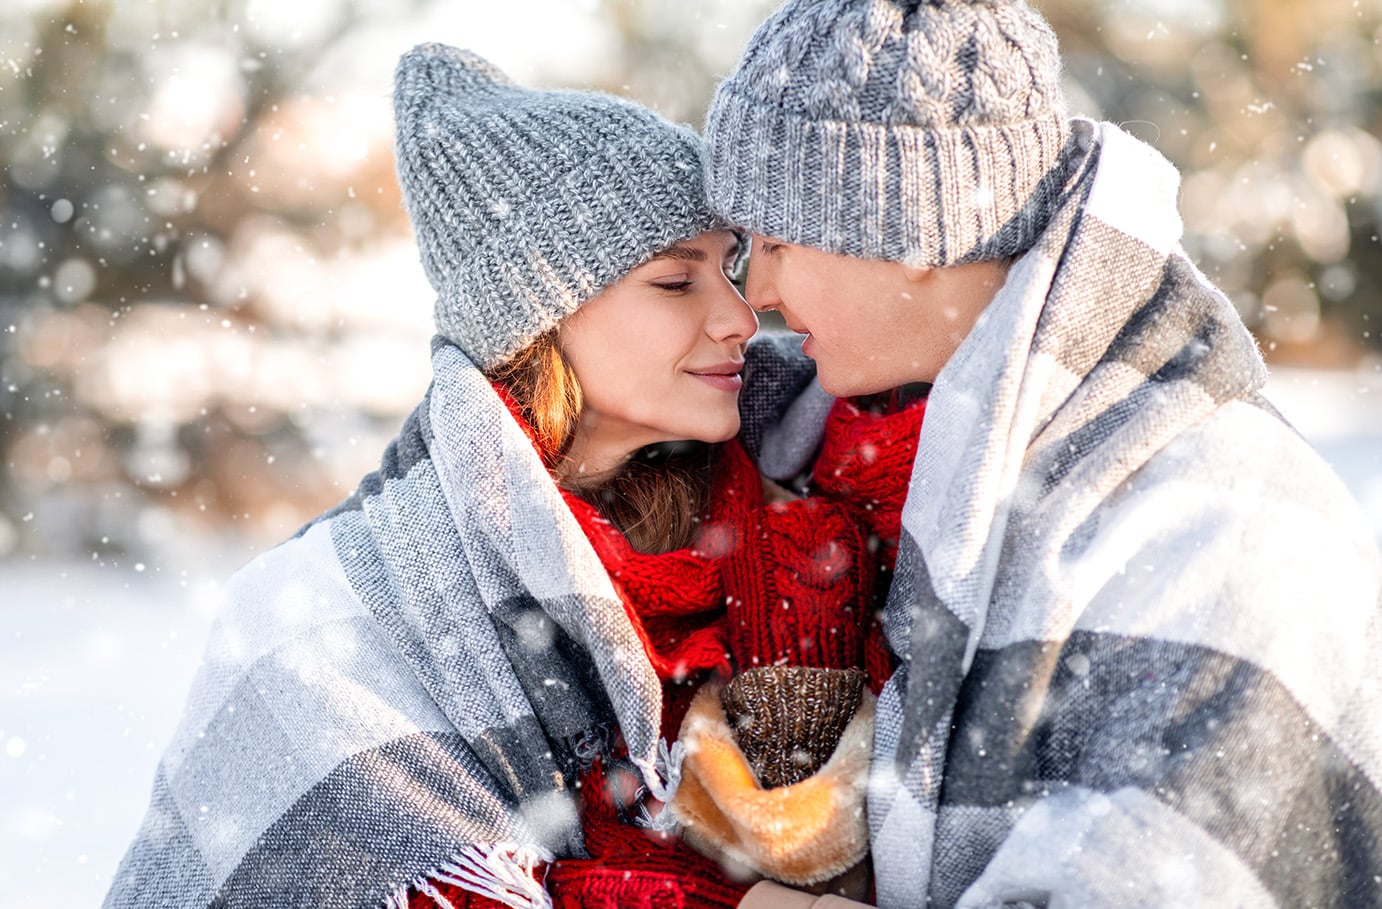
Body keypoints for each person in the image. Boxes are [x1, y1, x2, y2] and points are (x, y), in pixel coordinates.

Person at [102, 43, 916, 909]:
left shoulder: (811, 488)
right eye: (678, 280)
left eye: (729, 266)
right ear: (542, 317)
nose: (740, 317)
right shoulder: (340, 614)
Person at [703, 1, 1382, 907]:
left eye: (781, 243)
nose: (766, 294)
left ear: (910, 232)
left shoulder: (1215, 531)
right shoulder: (852, 458)